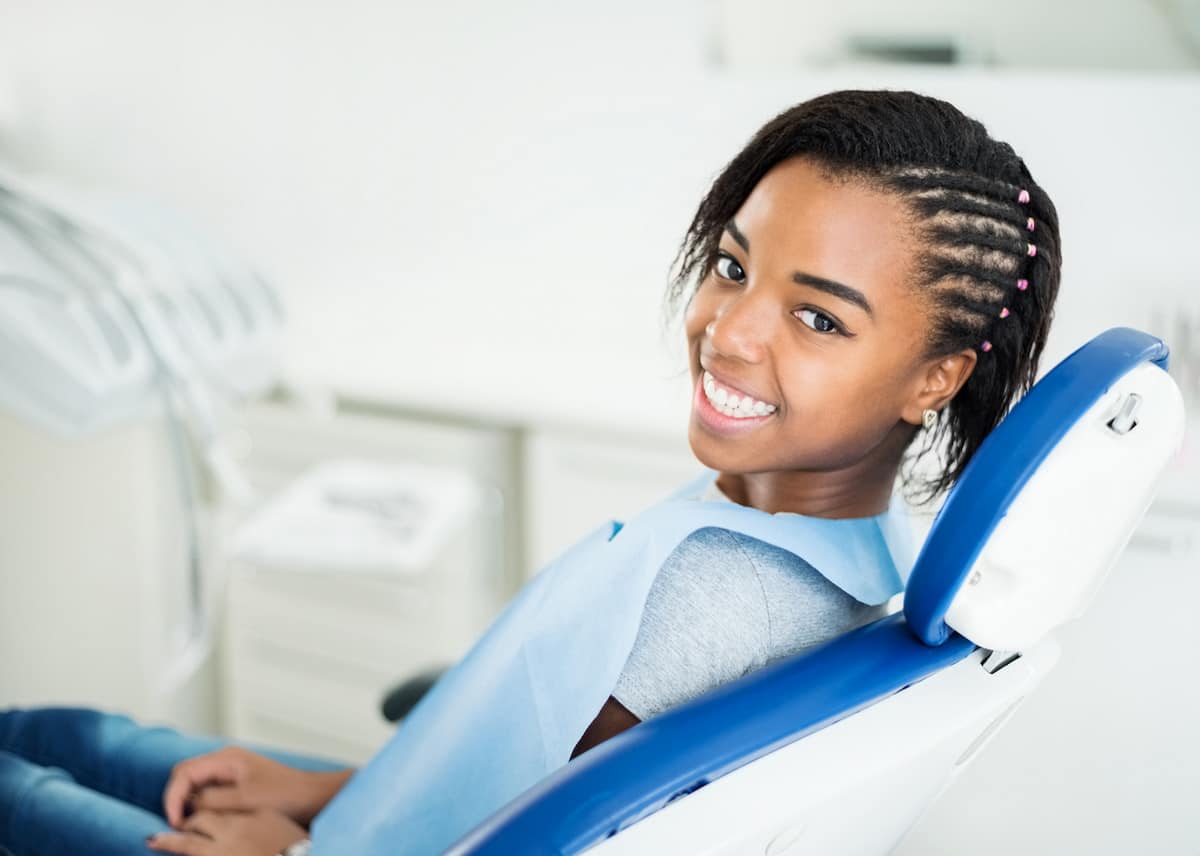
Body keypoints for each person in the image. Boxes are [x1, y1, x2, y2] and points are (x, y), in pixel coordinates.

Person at [0, 88, 1061, 856]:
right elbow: (514, 762)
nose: (728, 332)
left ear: (937, 374)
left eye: (818, 316)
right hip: (367, 812)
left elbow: (529, 831)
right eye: (734, 265)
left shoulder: (722, 601)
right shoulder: (838, 541)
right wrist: (321, 791)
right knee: (63, 739)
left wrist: (286, 844)